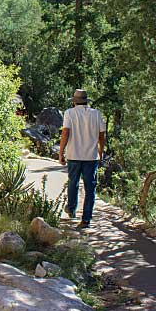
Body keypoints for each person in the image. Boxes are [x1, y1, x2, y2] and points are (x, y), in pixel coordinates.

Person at [58, 89, 105, 228]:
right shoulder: (96, 114)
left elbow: (66, 132)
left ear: (74, 101)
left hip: (74, 154)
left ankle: (72, 209)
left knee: (73, 183)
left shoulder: (69, 113)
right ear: (86, 100)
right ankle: (86, 218)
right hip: (91, 156)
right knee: (90, 187)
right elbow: (102, 135)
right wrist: (101, 151)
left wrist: (61, 152)